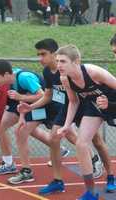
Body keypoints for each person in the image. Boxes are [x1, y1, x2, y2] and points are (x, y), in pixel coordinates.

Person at [17, 39, 111, 195]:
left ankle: (108, 173)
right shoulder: (49, 72)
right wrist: (31, 107)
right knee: (55, 138)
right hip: (67, 107)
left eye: (43, 54)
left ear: (54, 54)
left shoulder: (82, 71)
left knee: (97, 141)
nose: (40, 58)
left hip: (87, 104)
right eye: (38, 55)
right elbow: (49, 95)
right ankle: (58, 181)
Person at [56, 44, 116, 200]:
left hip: (113, 102)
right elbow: (73, 102)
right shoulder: (65, 78)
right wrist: (66, 125)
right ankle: (91, 192)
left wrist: (110, 105)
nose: (59, 65)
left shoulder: (93, 72)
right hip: (95, 105)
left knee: (98, 144)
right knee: (81, 144)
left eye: (63, 61)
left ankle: (110, 175)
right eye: (57, 61)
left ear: (76, 61)